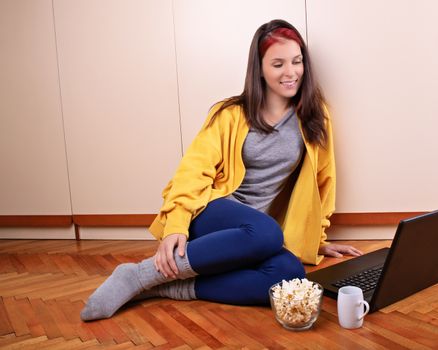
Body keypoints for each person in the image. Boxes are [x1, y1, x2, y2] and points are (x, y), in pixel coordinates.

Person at [80, 19, 362, 321]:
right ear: (260, 68)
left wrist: (317, 239)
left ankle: (167, 286)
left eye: (297, 61)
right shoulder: (230, 114)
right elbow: (193, 170)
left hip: (254, 230)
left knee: (290, 276)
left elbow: (323, 183)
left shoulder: (314, 117)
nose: (290, 72)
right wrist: (175, 225)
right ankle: (138, 275)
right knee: (267, 233)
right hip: (213, 213)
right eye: (278, 64)